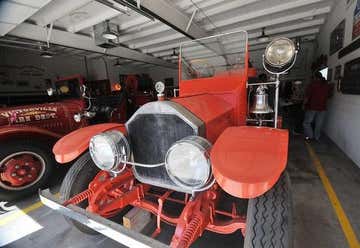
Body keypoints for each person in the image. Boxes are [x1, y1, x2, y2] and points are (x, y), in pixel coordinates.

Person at [302, 71, 330, 141]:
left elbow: (307, 97)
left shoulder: (312, 85)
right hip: (323, 108)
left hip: (312, 107)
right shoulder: (326, 85)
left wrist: (303, 104)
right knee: (319, 124)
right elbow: (329, 95)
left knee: (306, 123)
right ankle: (317, 137)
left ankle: (310, 136)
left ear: (315, 77)